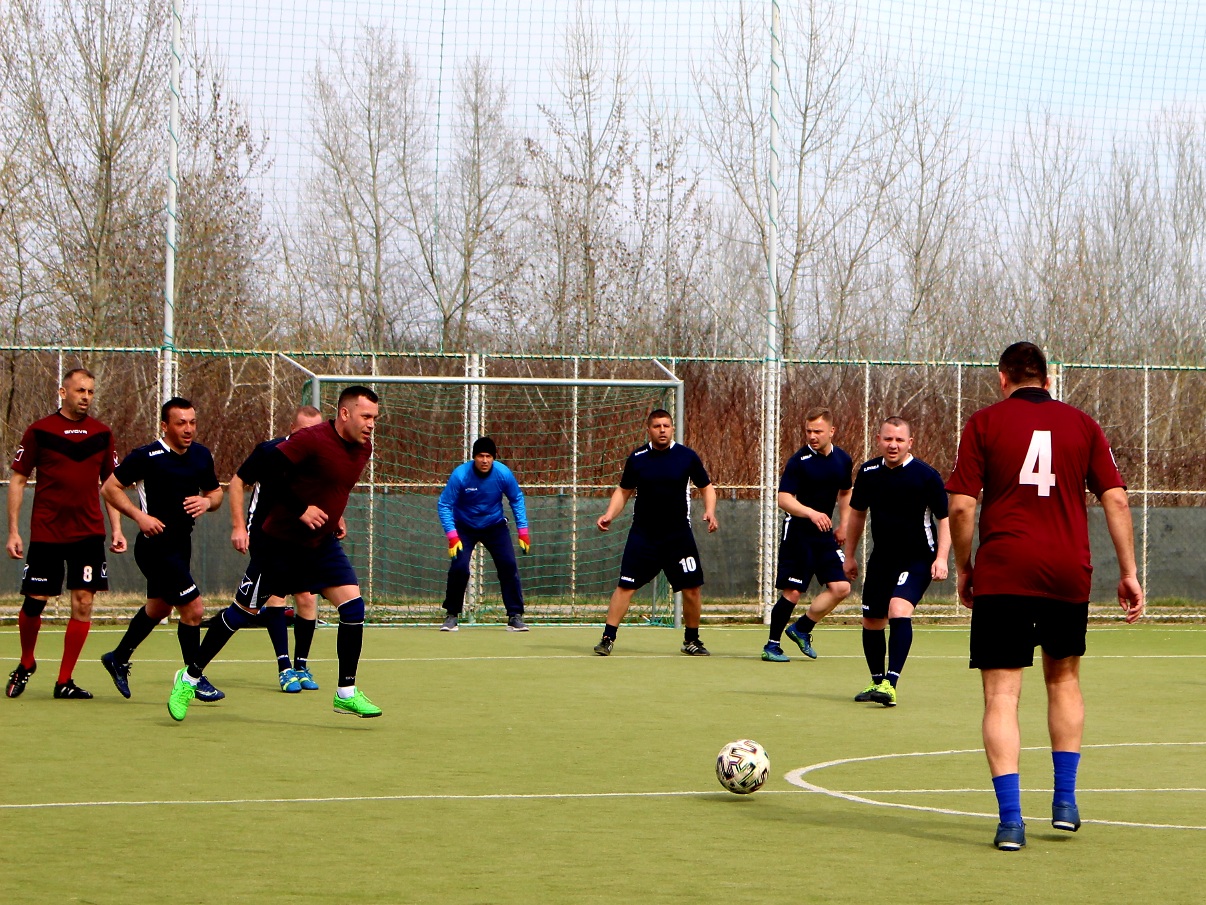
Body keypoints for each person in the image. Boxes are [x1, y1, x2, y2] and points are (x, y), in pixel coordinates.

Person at [946, 342, 1144, 852]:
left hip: (1004, 570)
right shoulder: (1083, 424)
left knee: (1002, 696)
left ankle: (1011, 822)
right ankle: (1065, 803)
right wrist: (1128, 572)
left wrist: (965, 566)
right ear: (1048, 379)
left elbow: (962, 506)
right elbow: (1116, 499)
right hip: (1066, 570)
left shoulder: (984, 423)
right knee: (1064, 680)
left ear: (1002, 378)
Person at [166, 385, 382, 721]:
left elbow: (332, 485)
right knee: (241, 614)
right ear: (344, 413)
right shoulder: (310, 440)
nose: (371, 424)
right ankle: (189, 677)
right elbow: (266, 474)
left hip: (320, 543)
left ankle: (346, 693)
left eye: (375, 418)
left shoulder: (363, 448)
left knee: (353, 607)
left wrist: (334, 515)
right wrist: (300, 509)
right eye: (366, 416)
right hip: (280, 544)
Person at [4, 368, 127, 699]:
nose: (86, 397)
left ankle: (64, 681)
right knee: (35, 601)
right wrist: (13, 531)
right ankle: (26, 662)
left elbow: (111, 485)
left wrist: (116, 528)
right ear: (63, 392)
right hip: (47, 531)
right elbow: (18, 479)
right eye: (79, 390)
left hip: (88, 533)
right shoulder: (40, 431)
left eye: (90, 391)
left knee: (84, 602)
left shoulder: (102, 433)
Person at [98, 397, 225, 701]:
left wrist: (207, 502)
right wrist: (139, 516)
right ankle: (193, 678)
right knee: (193, 609)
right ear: (165, 426)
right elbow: (109, 488)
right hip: (155, 547)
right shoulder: (146, 456)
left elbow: (216, 493)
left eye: (192, 422)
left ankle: (118, 658)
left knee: (159, 608)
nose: (188, 429)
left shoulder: (201, 455)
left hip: (181, 545)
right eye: (181, 423)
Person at [842, 417, 950, 706]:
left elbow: (945, 518)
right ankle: (877, 681)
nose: (893, 445)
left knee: (898, 609)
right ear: (878, 440)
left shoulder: (926, 476)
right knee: (872, 620)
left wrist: (941, 558)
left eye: (899, 440)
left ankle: (891, 683)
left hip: (918, 558)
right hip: (882, 559)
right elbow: (857, 514)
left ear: (910, 443)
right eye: (888, 439)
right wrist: (849, 555)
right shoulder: (868, 472)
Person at [593, 409, 718, 656]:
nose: (662, 430)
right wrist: (609, 514)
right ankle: (607, 638)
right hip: (644, 536)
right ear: (649, 429)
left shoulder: (686, 456)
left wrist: (710, 511)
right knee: (625, 586)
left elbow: (706, 487)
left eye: (666, 426)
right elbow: (623, 491)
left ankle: (691, 640)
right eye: (657, 426)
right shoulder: (637, 458)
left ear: (672, 429)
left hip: (678, 537)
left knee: (692, 588)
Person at [227, 405, 325, 692]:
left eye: (316, 431)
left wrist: (336, 519)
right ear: (293, 430)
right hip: (266, 535)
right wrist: (239, 527)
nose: (311, 437)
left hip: (300, 537)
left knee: (307, 597)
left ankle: (301, 665)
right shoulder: (270, 451)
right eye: (305, 431)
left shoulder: (321, 457)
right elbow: (237, 482)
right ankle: (284, 668)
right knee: (275, 595)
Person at [761, 407, 852, 663]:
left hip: (824, 536)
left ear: (831, 431)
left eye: (818, 431)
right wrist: (811, 513)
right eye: (808, 431)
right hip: (798, 534)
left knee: (841, 587)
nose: (812, 436)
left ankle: (801, 628)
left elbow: (846, 491)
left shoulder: (843, 460)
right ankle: (771, 645)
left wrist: (844, 525)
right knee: (793, 592)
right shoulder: (798, 461)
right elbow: (784, 498)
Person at [438, 436, 531, 632]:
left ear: (494, 457)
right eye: (481, 456)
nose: (485, 460)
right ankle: (451, 615)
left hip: (494, 526)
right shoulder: (460, 475)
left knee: (508, 565)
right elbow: (444, 504)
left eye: (489, 456)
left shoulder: (503, 474)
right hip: (464, 527)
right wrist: (452, 536)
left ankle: (515, 615)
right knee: (459, 568)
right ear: (474, 457)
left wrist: (523, 531)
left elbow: (516, 498)